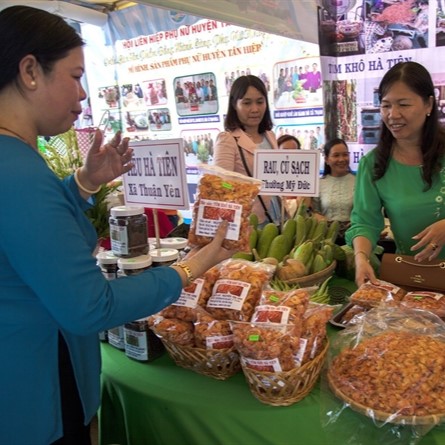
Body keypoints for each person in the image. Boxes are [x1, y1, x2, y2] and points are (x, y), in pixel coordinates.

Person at [0, 6, 234, 445]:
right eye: (74, 76)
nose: (83, 95)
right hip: (36, 389)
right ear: (30, 71)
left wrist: (83, 183)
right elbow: (91, 307)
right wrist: (188, 268)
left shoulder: (15, 162)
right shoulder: (17, 173)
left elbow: (26, 238)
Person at [345, 61, 445, 286]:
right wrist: (361, 258)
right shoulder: (373, 164)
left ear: (429, 104)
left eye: (403, 104)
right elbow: (365, 220)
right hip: (413, 279)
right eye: (386, 105)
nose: (393, 114)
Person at [213, 75, 281, 227]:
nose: (255, 109)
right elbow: (220, 185)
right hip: (248, 222)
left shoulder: (270, 136)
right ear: (234, 104)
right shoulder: (228, 139)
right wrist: (246, 188)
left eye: (260, 102)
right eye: (247, 103)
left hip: (276, 217)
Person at [310, 138, 355, 245]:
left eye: (345, 154)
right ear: (326, 159)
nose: (341, 159)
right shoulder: (319, 184)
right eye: (336, 155)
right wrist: (316, 216)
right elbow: (313, 212)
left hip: (355, 239)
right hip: (326, 242)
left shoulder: (360, 182)